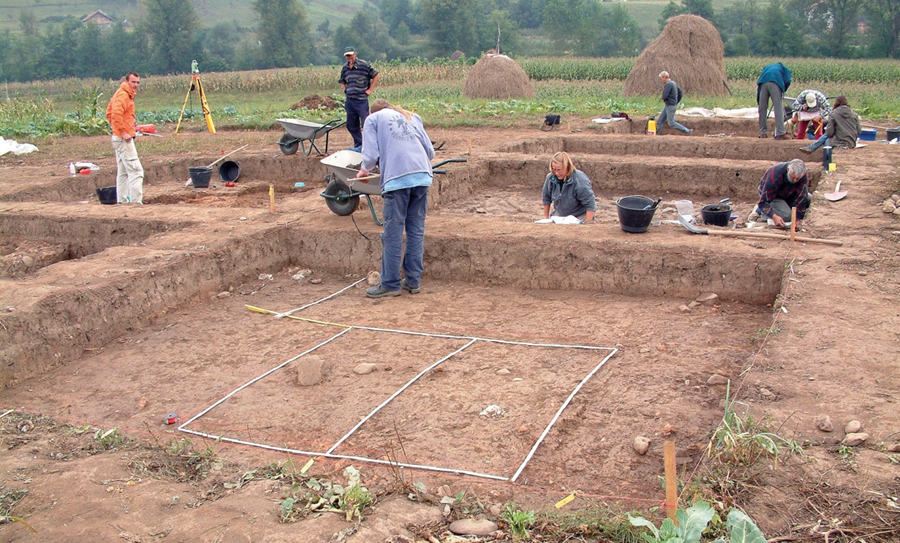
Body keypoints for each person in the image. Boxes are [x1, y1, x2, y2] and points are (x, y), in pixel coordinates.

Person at [357, 99, 435, 298]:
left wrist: (364, 170)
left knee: (393, 232)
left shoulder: (372, 119)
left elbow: (370, 155)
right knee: (416, 230)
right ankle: (413, 281)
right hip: (422, 175)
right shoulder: (411, 116)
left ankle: (391, 283)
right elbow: (430, 152)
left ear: (373, 111)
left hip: (398, 179)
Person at [105, 71, 144, 204]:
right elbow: (115, 114)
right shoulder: (123, 95)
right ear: (127, 81)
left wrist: (117, 129)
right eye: (133, 82)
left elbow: (108, 112)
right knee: (136, 171)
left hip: (119, 137)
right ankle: (136, 202)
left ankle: (122, 201)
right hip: (123, 139)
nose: (135, 85)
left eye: (138, 82)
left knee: (123, 172)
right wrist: (122, 132)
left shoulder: (122, 94)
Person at [339, 47, 379, 152]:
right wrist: (345, 89)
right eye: (347, 56)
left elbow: (375, 75)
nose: (349, 57)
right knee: (351, 125)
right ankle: (359, 145)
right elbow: (342, 80)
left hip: (361, 100)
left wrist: (370, 89)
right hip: (350, 100)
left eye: (351, 55)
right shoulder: (345, 68)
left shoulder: (363, 65)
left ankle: (369, 146)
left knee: (366, 124)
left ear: (355, 54)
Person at [750, 159, 809, 230]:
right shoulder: (774, 177)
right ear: (788, 169)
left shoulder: (802, 175)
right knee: (788, 216)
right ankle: (760, 211)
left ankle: (780, 208)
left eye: (797, 179)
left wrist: (798, 218)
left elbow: (802, 196)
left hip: (789, 194)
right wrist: (774, 216)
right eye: (793, 178)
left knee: (809, 199)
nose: (795, 180)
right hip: (773, 196)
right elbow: (764, 202)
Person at [541, 152, 597, 222]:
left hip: (580, 215)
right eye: (554, 169)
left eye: (559, 170)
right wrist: (546, 217)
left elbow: (590, 204)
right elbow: (546, 197)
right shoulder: (550, 178)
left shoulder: (580, 180)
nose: (556, 173)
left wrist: (588, 222)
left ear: (567, 167)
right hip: (560, 215)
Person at [757, 62, 792, 140]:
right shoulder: (783, 68)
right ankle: (780, 133)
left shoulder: (766, 67)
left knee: (762, 108)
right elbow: (788, 80)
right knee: (778, 108)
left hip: (762, 83)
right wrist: (783, 89)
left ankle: (763, 132)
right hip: (775, 82)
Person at [655, 71, 692, 135]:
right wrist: (676, 102)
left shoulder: (668, 84)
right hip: (669, 105)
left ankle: (687, 131)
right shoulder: (673, 83)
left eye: (661, 78)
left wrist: (663, 98)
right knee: (660, 121)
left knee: (671, 123)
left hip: (670, 106)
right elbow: (680, 93)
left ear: (664, 77)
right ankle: (658, 135)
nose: (661, 80)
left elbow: (664, 96)